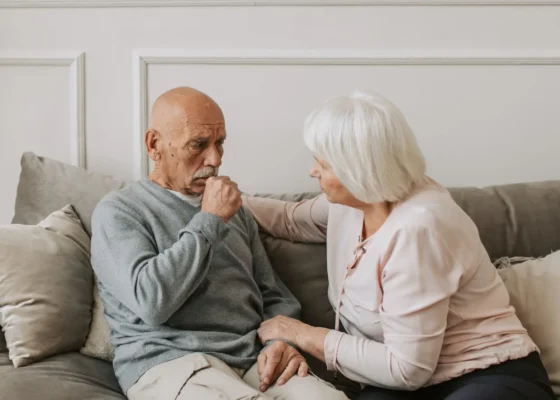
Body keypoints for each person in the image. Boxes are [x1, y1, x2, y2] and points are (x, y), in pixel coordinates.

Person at [242, 90, 556, 400]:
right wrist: (218, 200)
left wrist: (301, 333)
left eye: (323, 165)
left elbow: (408, 369)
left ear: (357, 171)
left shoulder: (419, 228)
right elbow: (290, 220)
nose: (313, 171)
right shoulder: (352, 202)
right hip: (400, 385)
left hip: (486, 374)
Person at [90, 87, 348, 400]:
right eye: (198, 144)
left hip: (252, 359)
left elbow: (274, 295)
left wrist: (282, 342)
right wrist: (210, 219)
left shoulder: (233, 209)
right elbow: (151, 301)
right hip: (173, 363)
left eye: (219, 143)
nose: (215, 159)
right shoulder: (119, 211)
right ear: (154, 144)